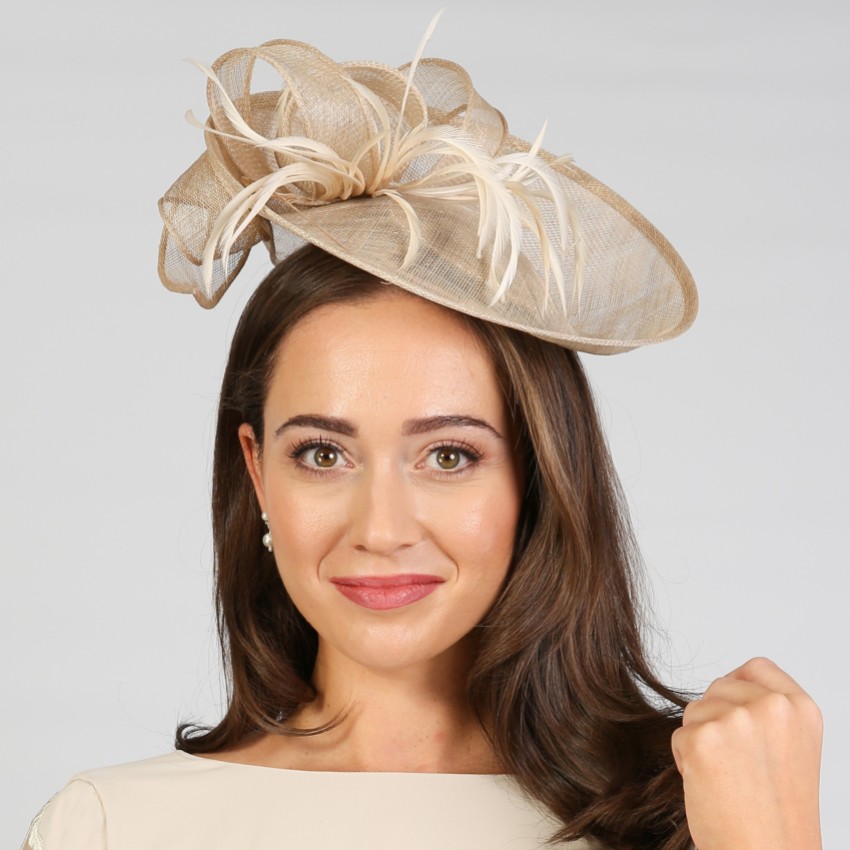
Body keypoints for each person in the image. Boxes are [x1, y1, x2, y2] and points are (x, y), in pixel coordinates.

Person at [22, 21, 823, 850]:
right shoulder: (116, 828)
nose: (380, 529)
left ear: (538, 476)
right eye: (323, 454)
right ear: (258, 474)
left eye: (449, 455)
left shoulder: (704, 809)